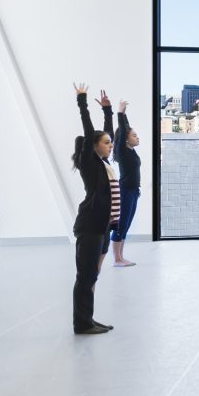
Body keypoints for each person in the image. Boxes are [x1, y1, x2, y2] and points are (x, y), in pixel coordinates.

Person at [71, 86, 116, 334]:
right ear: (94, 146)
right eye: (106, 143)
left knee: (93, 275)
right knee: (86, 276)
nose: (111, 145)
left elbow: (105, 134)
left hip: (103, 226)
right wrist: (82, 102)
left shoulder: (104, 162)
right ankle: (82, 323)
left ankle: (88, 318)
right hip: (90, 226)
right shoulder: (90, 162)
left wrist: (108, 110)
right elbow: (91, 133)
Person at [105, 97, 141, 267]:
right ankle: (117, 259)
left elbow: (124, 129)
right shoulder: (122, 151)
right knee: (120, 224)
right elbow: (122, 132)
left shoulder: (130, 151)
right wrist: (120, 112)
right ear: (126, 139)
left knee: (126, 225)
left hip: (133, 191)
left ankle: (121, 257)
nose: (137, 137)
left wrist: (124, 114)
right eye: (134, 135)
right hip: (125, 191)